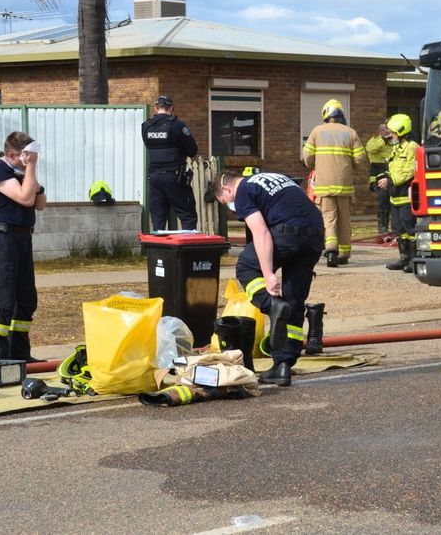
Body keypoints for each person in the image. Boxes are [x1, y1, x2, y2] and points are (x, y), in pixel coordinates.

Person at [213, 170, 324, 386]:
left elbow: (261, 233)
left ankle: (271, 304)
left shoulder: (243, 190)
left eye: (225, 200)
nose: (230, 206)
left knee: (246, 266)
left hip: (287, 233)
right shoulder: (271, 178)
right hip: (315, 235)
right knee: (294, 302)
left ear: (226, 189)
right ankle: (282, 366)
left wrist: (268, 275)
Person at [0, 131, 47, 360]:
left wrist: (29, 171)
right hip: (2, 239)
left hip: (22, 238)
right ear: (11, 154)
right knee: (3, 299)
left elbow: (39, 204)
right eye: (26, 155)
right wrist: (29, 170)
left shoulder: (22, 172)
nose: (31, 159)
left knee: (26, 298)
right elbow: (25, 198)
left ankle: (20, 353)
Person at [302, 99, 367, 267]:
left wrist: (317, 165)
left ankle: (331, 251)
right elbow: (360, 158)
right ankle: (344, 254)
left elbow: (307, 157)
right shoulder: (350, 132)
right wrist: (348, 167)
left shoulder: (317, 131)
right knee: (344, 220)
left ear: (326, 114)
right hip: (345, 186)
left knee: (328, 219)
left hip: (324, 186)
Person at [142, 95, 198, 231]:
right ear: (171, 109)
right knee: (187, 215)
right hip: (174, 176)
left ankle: (158, 250)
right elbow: (192, 150)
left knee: (158, 218)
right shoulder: (177, 125)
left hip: (154, 178)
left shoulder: (146, 127)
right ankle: (188, 250)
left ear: (155, 108)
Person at [378, 113, 419, 272]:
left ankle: (414, 259)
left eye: (393, 133)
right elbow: (394, 168)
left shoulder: (412, 147)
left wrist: (391, 180)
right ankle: (404, 258)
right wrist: (385, 176)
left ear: (401, 131)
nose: (391, 136)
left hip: (406, 194)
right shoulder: (396, 147)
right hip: (395, 195)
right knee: (398, 228)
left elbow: (410, 170)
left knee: (410, 228)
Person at [365, 123, 394, 234]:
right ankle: (382, 227)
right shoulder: (375, 140)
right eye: (384, 129)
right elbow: (370, 149)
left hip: (392, 176)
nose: (387, 131)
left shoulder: (394, 142)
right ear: (379, 131)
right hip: (378, 177)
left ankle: (396, 227)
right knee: (383, 198)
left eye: (388, 130)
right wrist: (383, 140)